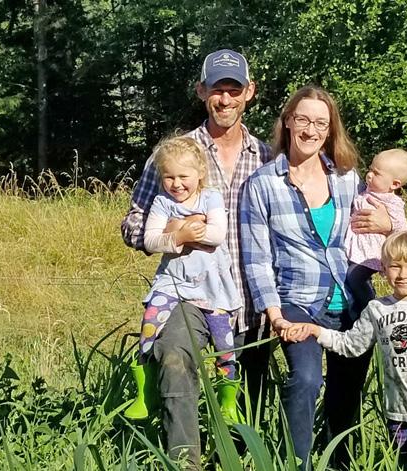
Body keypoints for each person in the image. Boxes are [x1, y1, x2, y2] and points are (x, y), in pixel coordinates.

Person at [121, 49, 273, 467]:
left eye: (234, 90)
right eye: (217, 90)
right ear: (201, 91)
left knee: (246, 393)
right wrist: (174, 233)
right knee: (174, 357)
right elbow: (133, 223)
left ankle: (240, 459)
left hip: (251, 297)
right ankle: (183, 460)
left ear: (249, 92)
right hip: (188, 292)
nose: (225, 100)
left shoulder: (267, 157)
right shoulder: (174, 154)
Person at [240, 85, 393, 470]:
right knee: (306, 379)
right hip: (297, 302)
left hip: (353, 302)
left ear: (330, 130)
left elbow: (386, 221)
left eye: (321, 123)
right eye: (303, 120)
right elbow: (257, 259)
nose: (311, 130)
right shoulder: (262, 184)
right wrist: (275, 315)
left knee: (346, 394)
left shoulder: (347, 178)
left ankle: (341, 461)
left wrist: (389, 223)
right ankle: (298, 463)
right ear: (288, 122)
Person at [284, 231, 407, 470]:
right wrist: (316, 331)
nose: (403, 274)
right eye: (395, 266)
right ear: (383, 269)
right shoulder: (377, 309)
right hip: (398, 414)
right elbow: (351, 345)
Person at [124, 135, 242, 423]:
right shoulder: (162, 202)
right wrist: (182, 233)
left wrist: (179, 230)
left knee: (224, 343)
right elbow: (150, 240)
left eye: (183, 176)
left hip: (212, 285)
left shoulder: (211, 198)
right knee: (150, 325)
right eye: (169, 177)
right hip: (172, 281)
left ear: (199, 173)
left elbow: (217, 235)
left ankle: (227, 401)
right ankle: (146, 391)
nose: (176, 184)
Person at [345, 148, 407, 313]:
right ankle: (358, 309)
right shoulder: (365, 191)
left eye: (376, 173)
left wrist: (389, 226)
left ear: (394, 184)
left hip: (371, 252)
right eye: (370, 169)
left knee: (355, 277)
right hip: (357, 248)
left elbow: (401, 229)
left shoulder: (392, 202)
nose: (369, 175)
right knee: (352, 277)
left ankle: (370, 307)